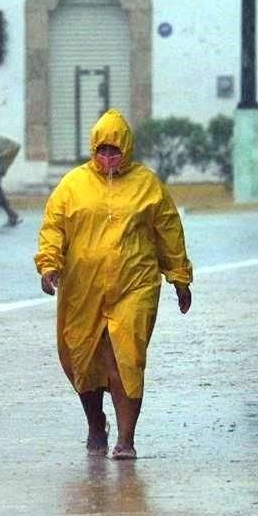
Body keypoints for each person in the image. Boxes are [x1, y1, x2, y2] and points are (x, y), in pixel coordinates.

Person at [34, 109, 193, 460]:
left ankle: (126, 439)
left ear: (127, 149)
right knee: (81, 359)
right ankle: (96, 423)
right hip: (82, 288)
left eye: (115, 150)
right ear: (93, 149)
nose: (108, 157)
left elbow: (169, 232)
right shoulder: (72, 185)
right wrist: (49, 265)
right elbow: (53, 228)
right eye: (102, 150)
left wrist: (180, 277)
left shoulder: (148, 185)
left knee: (126, 359)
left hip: (134, 285)